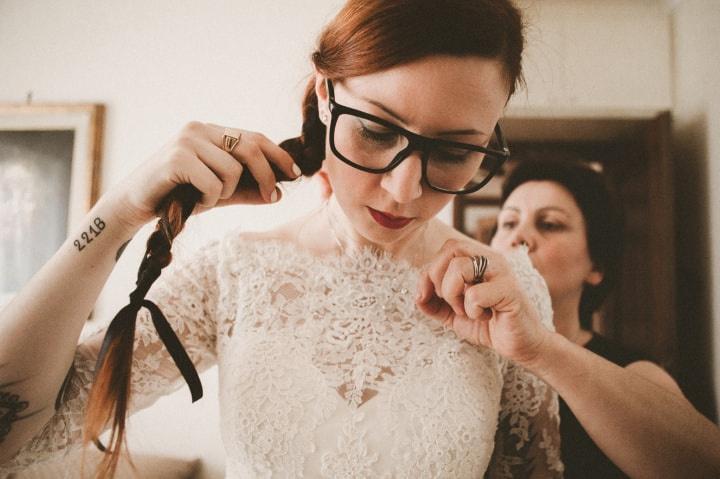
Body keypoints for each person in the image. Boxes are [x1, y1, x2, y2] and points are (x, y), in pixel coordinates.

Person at [0, 1, 565, 477]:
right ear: (326, 96)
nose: (403, 188)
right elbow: (14, 436)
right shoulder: (236, 274)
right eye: (374, 131)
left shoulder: (508, 295)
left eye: (454, 151)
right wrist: (120, 211)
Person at [487, 159, 720, 478]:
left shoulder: (635, 373)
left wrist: (544, 349)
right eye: (509, 223)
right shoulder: (458, 359)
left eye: (550, 224)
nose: (520, 238)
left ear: (596, 267)